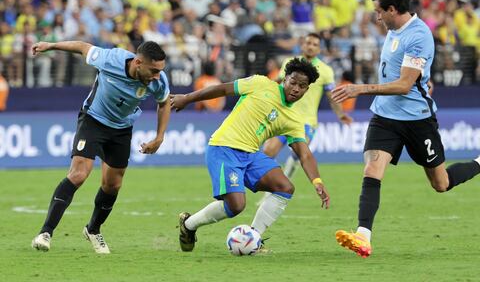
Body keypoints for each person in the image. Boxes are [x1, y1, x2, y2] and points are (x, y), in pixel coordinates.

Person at [332, 0, 480, 258]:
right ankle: (363, 236)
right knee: (371, 170)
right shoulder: (393, 29)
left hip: (416, 119)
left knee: (441, 183)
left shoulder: (419, 35)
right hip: (385, 116)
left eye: (379, 11)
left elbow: (403, 85)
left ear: (392, 9)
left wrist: (360, 88)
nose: (376, 17)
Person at [170, 58, 330, 252]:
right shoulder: (260, 83)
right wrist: (187, 98)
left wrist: (317, 181)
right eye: (293, 82)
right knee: (236, 206)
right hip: (224, 148)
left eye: (302, 86)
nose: (296, 88)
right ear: (285, 78)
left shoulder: (294, 120)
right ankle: (188, 225)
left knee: (284, 187)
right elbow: (222, 89)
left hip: (251, 155)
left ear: (307, 90)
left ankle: (253, 239)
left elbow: (304, 154)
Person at [31, 40, 171, 254]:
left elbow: (164, 103)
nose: (157, 76)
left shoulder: (158, 81)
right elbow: (81, 47)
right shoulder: (111, 59)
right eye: (153, 70)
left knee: (113, 185)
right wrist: (51, 46)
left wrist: (159, 137)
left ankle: (93, 230)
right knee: (79, 173)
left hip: (122, 129)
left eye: (160, 71)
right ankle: (45, 232)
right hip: (93, 120)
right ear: (138, 62)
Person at [263, 33, 353, 180]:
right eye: (308, 43)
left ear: (319, 49)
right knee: (268, 151)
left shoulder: (325, 71)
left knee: (299, 154)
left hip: (306, 121)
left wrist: (340, 114)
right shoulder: (289, 63)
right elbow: (276, 84)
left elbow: (332, 96)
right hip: (282, 116)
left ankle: (283, 184)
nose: (311, 46)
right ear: (302, 45)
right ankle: (273, 184)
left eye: (315, 44)